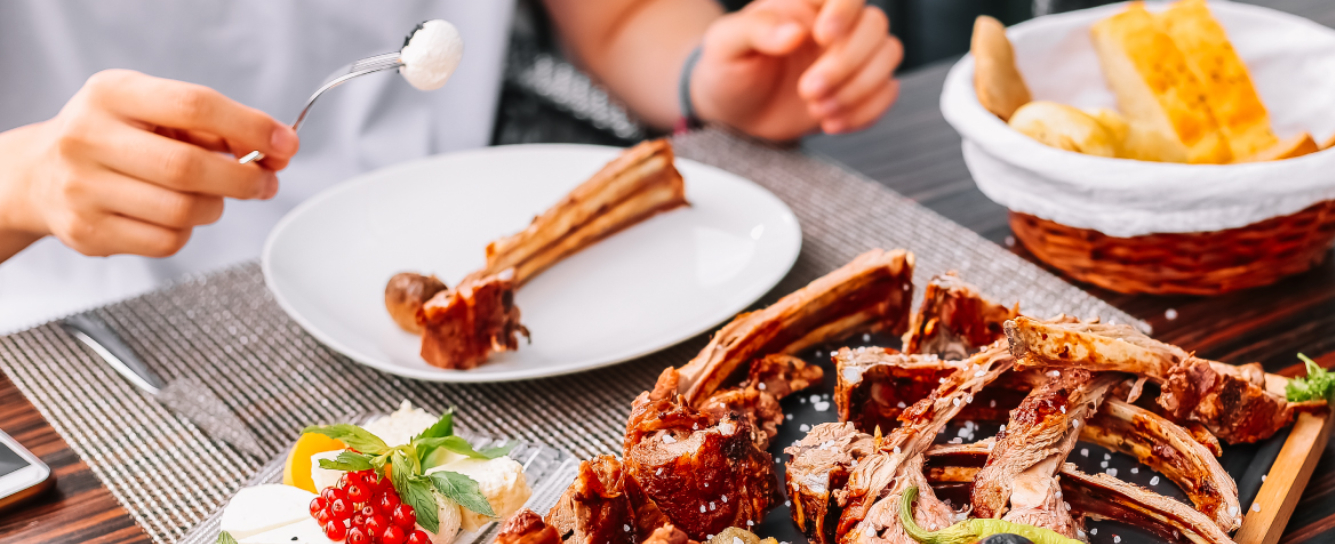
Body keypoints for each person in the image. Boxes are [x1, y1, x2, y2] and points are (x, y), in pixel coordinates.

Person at [0, 0, 902, 331]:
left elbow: (620, 17)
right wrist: (26, 180)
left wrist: (707, 72)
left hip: (495, 259)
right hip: (98, 332)